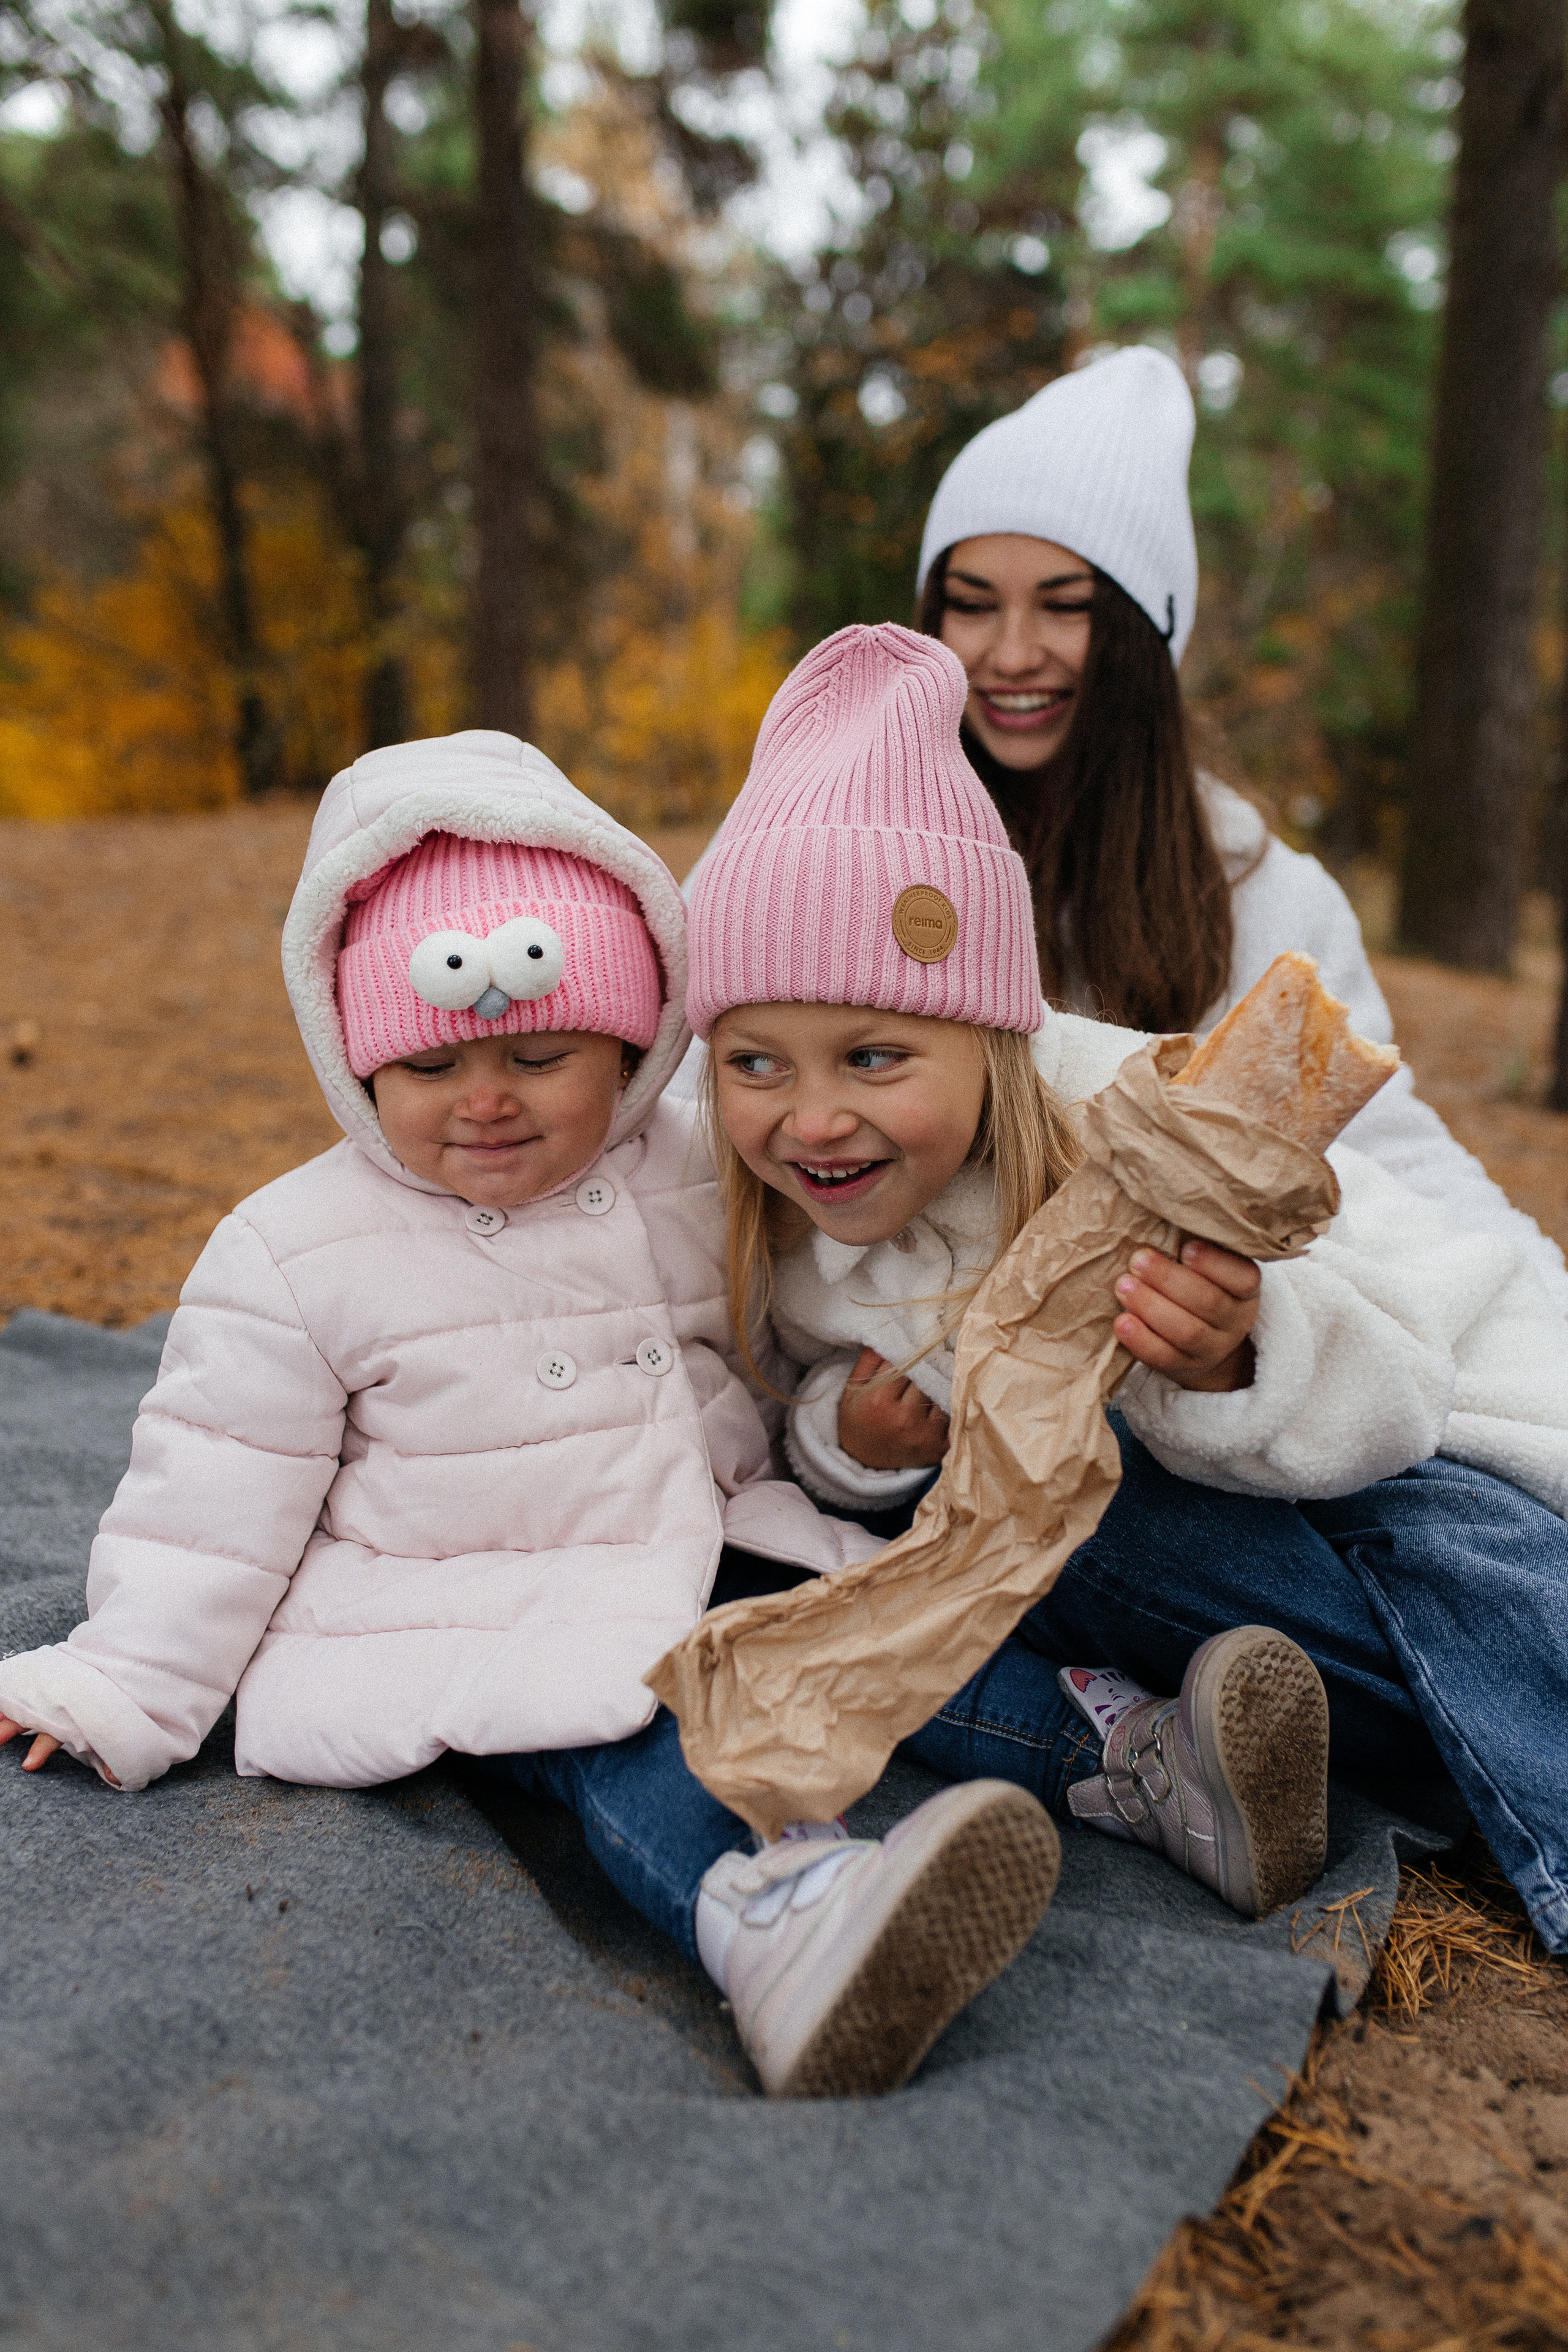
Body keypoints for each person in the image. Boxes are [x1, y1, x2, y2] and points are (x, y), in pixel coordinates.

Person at [0, 728, 1060, 2101]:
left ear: (627, 1039)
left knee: (868, 1615)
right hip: (477, 1594)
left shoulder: (697, 1167)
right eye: (432, 1070)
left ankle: (1121, 1752)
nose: (486, 1101)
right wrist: (127, 1682)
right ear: (355, 1064)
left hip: (713, 1530)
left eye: (540, 1054)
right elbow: (213, 1492)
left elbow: (778, 1360)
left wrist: (841, 1450)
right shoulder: (295, 1249)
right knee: (637, 1731)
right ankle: (778, 1913)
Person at [687, 624, 1568, 1955]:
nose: (810, 1120)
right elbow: (815, 1385)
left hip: (1431, 1445)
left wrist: (1236, 1351)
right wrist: (846, 1447)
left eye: (871, 1057)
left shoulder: (1136, 1118)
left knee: (1457, 1579)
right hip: (1192, 1535)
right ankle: (1378, 1732)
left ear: (987, 1038)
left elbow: (1397, 1380)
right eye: (756, 1063)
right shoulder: (799, 1232)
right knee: (1001, 1508)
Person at [913, 343, 1568, 1311]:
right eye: (971, 606)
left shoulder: (1258, 887)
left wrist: (1539, 1312)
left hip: (1185, 1370)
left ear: (1147, 632)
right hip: (911, 1369)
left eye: (1067, 610)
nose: (1011, 654)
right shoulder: (853, 838)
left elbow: (1382, 1159)